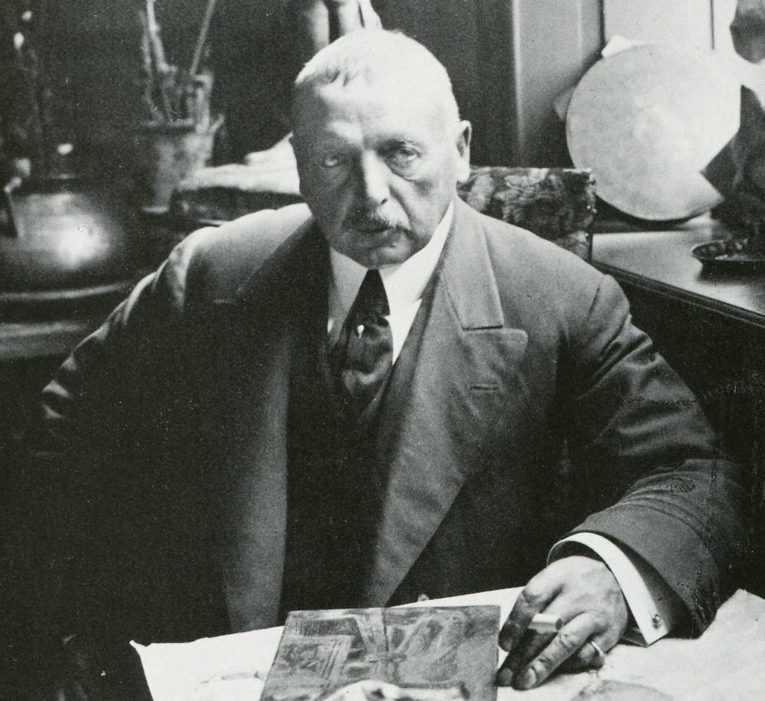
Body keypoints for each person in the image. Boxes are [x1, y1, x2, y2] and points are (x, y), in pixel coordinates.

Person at [17, 29, 747, 699]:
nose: (369, 194)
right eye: (334, 160)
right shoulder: (208, 275)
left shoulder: (561, 297)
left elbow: (695, 472)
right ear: (300, 167)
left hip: (446, 679)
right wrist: (100, 632)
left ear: (460, 149)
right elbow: (59, 446)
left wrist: (612, 567)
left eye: (401, 153)